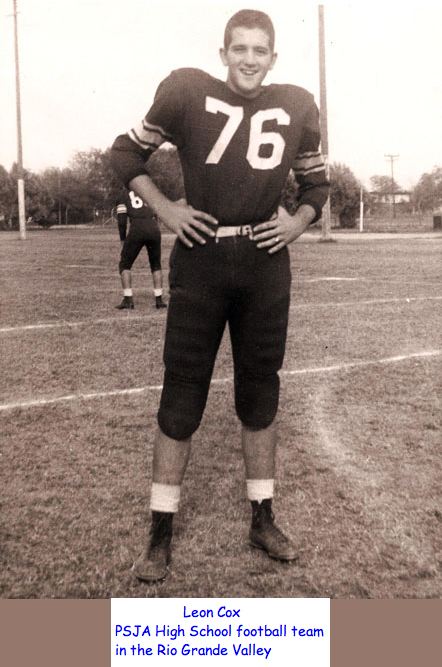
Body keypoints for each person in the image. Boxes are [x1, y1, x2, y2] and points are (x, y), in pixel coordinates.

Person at [111, 8, 329, 582]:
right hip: (203, 261)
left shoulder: (299, 102)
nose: (250, 59)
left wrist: (298, 223)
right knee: (182, 395)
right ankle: (159, 532)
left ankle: (263, 517)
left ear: (273, 57)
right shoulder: (186, 90)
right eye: (240, 48)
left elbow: (318, 184)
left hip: (265, 264)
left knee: (261, 391)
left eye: (260, 50)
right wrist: (166, 210)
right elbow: (124, 153)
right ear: (224, 52)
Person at [115, 190, 167, 310]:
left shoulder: (123, 195)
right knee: (156, 264)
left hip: (137, 228)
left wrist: (122, 239)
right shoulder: (146, 191)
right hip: (154, 228)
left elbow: (122, 221)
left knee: (125, 264)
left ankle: (128, 299)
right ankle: (159, 300)